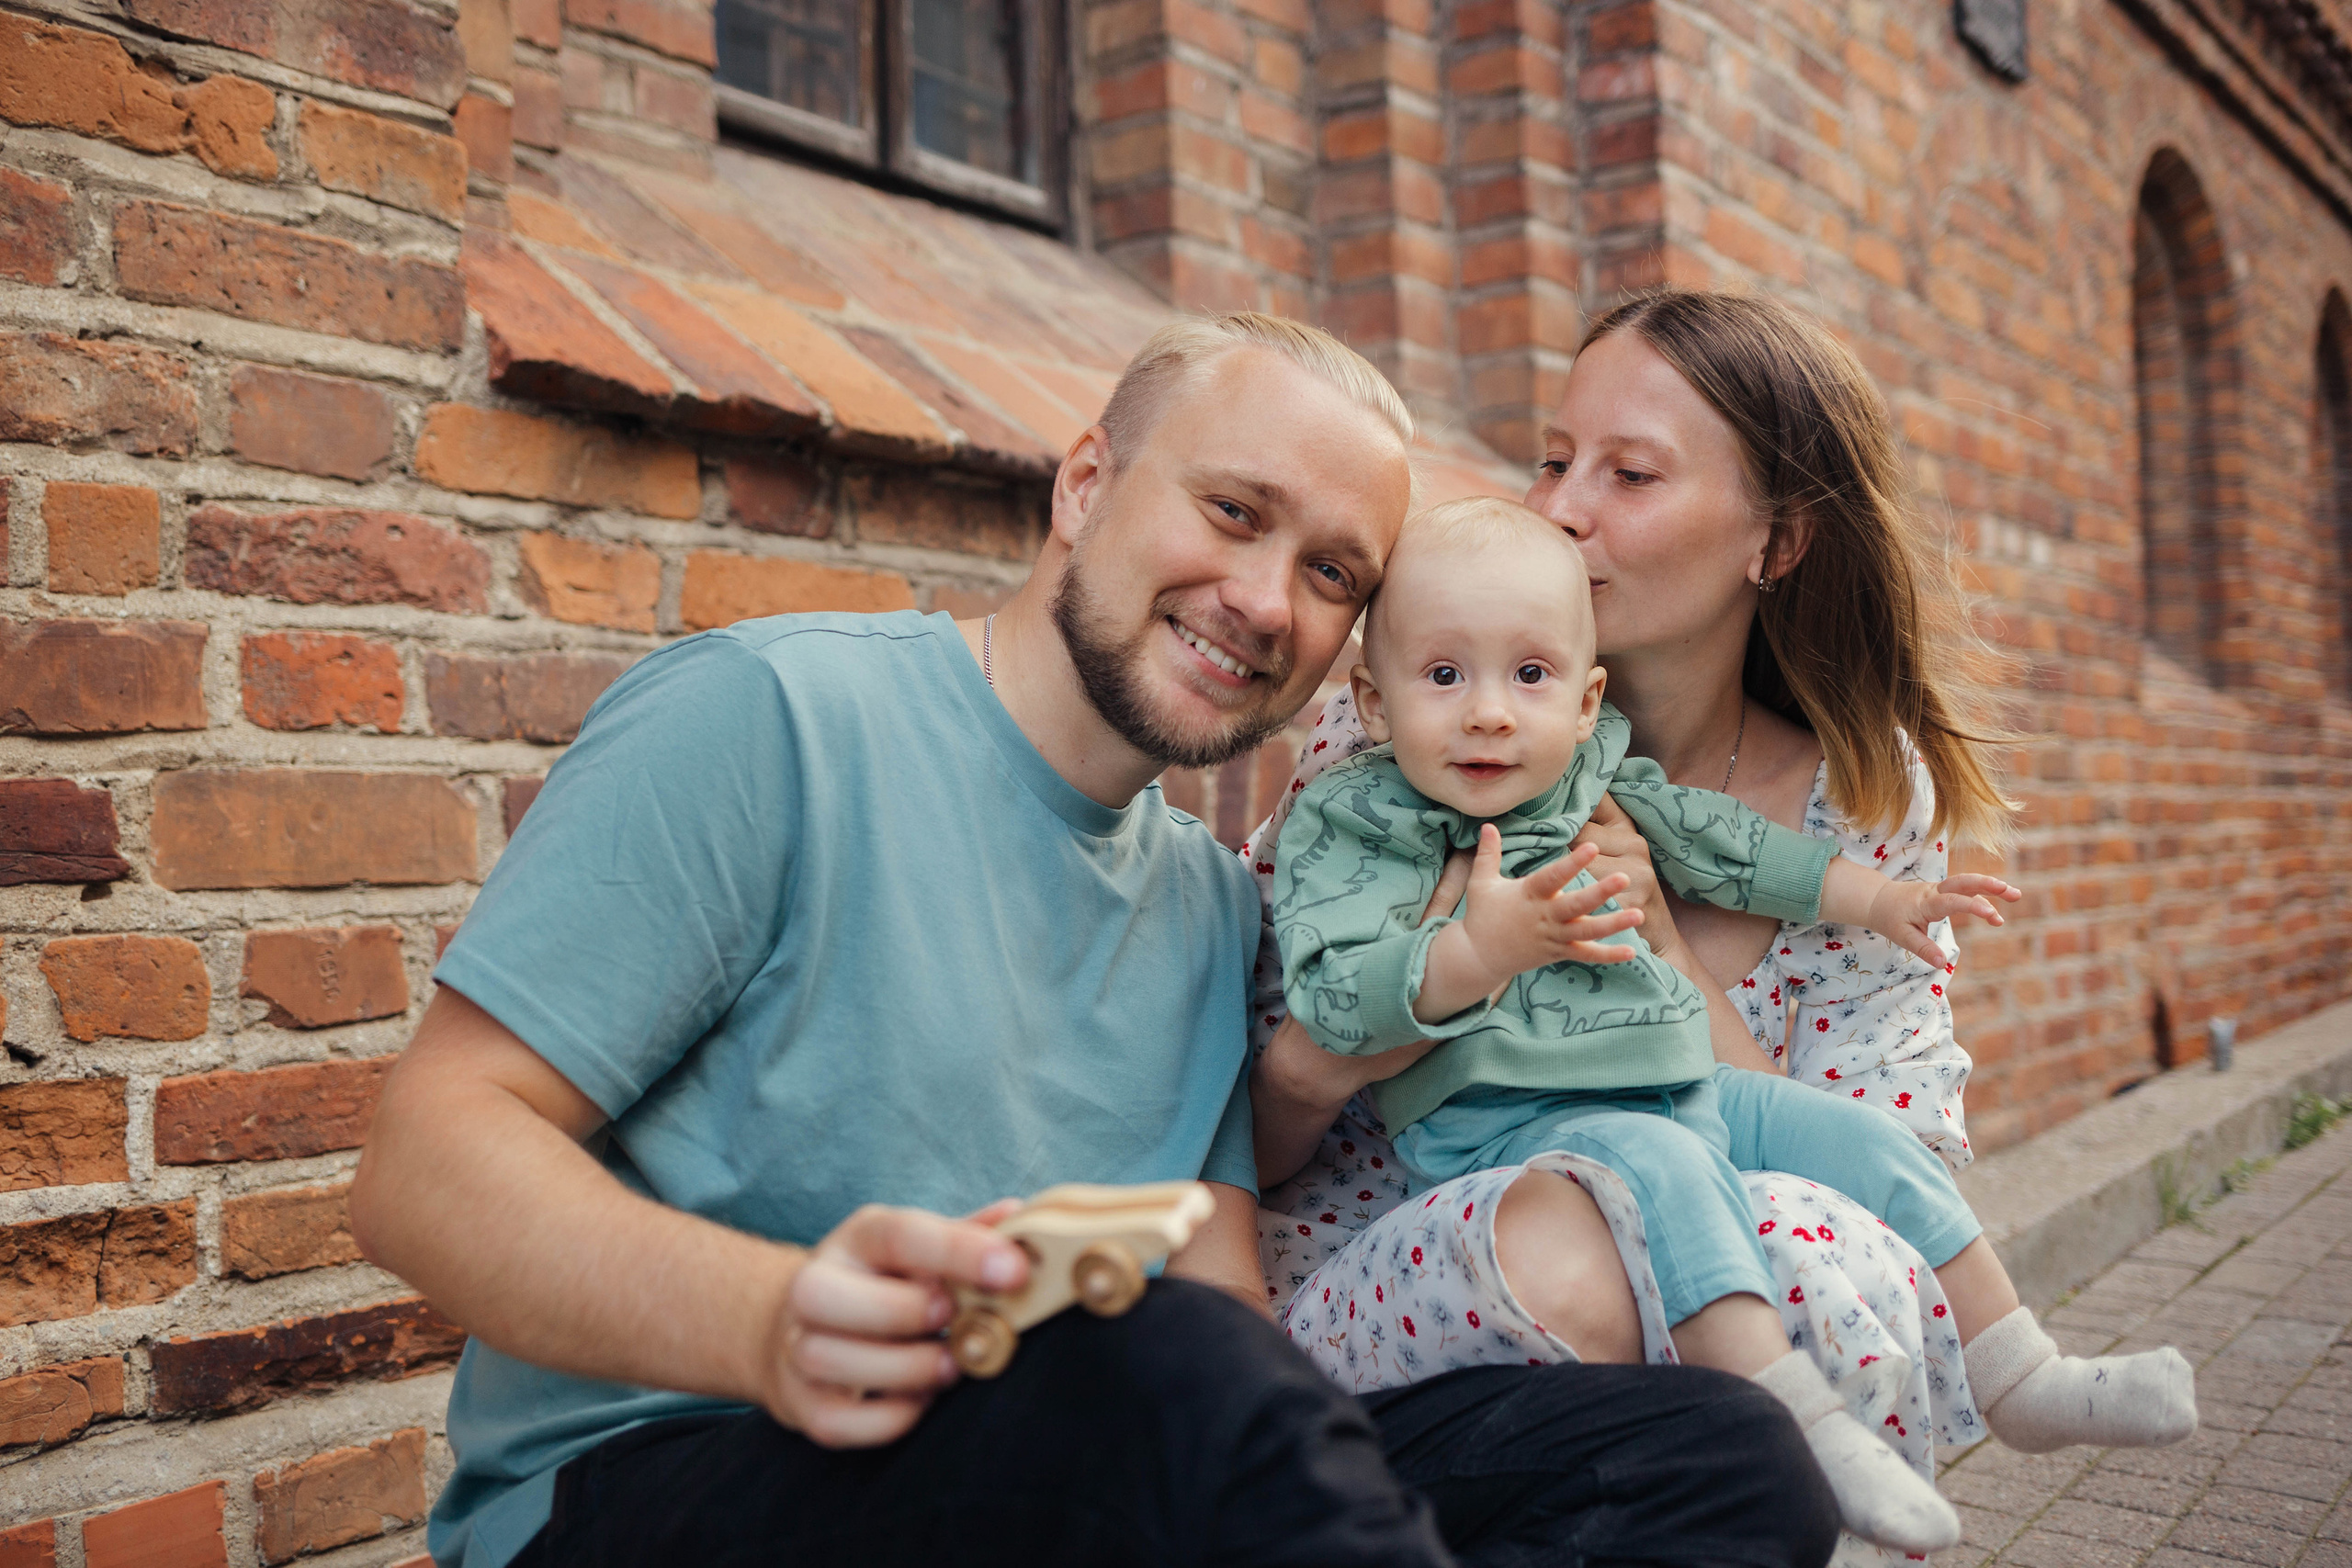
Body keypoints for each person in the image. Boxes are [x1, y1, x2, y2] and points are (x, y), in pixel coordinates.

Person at [349, 311, 1842, 1568]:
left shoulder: (1210, 906)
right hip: (674, 1476)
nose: (1263, 600)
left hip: (1062, 1471)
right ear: (1084, 485)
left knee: (1718, 1458)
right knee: (1171, 1381)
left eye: (1333, 575)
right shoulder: (776, 717)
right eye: (1233, 513)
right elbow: (423, 1167)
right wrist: (772, 1322)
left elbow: (1220, 1299)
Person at [1245, 291, 2194, 1551]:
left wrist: (1669, 945)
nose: (1561, 507)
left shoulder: (1857, 799)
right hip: (1409, 1273)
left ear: (1778, 542)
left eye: (1629, 473)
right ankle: (1769, 1436)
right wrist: (1435, 975)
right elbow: (1240, 1111)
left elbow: (1866, 1182)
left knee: (1827, 1238)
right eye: (1553, 457)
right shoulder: (1401, 726)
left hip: (1691, 1189)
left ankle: (2018, 1376)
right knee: (1612, 1237)